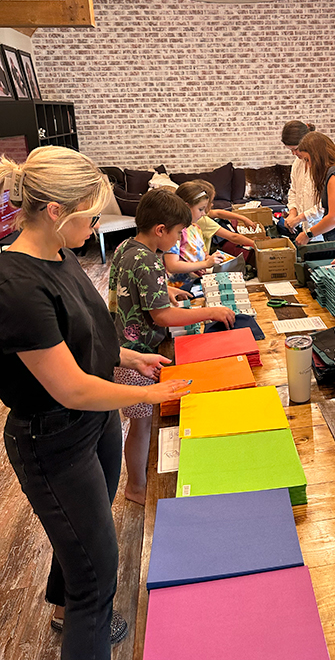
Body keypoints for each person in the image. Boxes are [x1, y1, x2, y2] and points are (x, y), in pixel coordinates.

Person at [0, 146, 190, 660]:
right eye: (91, 216)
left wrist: (128, 354)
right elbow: (70, 386)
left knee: (84, 532)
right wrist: (148, 393)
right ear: (56, 213)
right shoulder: (15, 285)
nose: (99, 226)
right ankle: (80, 617)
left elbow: (86, 335)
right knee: (98, 573)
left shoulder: (60, 256)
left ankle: (64, 606)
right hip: (54, 437)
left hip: (93, 423)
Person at [109, 187, 235, 505]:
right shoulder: (151, 262)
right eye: (178, 233)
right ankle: (136, 487)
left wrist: (166, 290)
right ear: (161, 230)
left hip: (123, 345)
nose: (179, 240)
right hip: (134, 356)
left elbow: (130, 286)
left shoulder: (127, 246)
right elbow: (162, 316)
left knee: (143, 423)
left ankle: (137, 481)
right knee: (141, 426)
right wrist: (211, 311)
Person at [280, 120, 324, 237]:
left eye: (296, 149)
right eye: (291, 150)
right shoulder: (297, 164)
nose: (294, 153)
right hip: (305, 229)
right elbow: (293, 191)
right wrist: (293, 212)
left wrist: (300, 218)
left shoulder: (323, 166)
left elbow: (326, 206)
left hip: (323, 230)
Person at [191, 180, 257, 255]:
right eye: (211, 202)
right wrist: (256, 244)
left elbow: (218, 213)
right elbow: (233, 237)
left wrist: (243, 218)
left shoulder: (197, 213)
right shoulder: (202, 220)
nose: (212, 205)